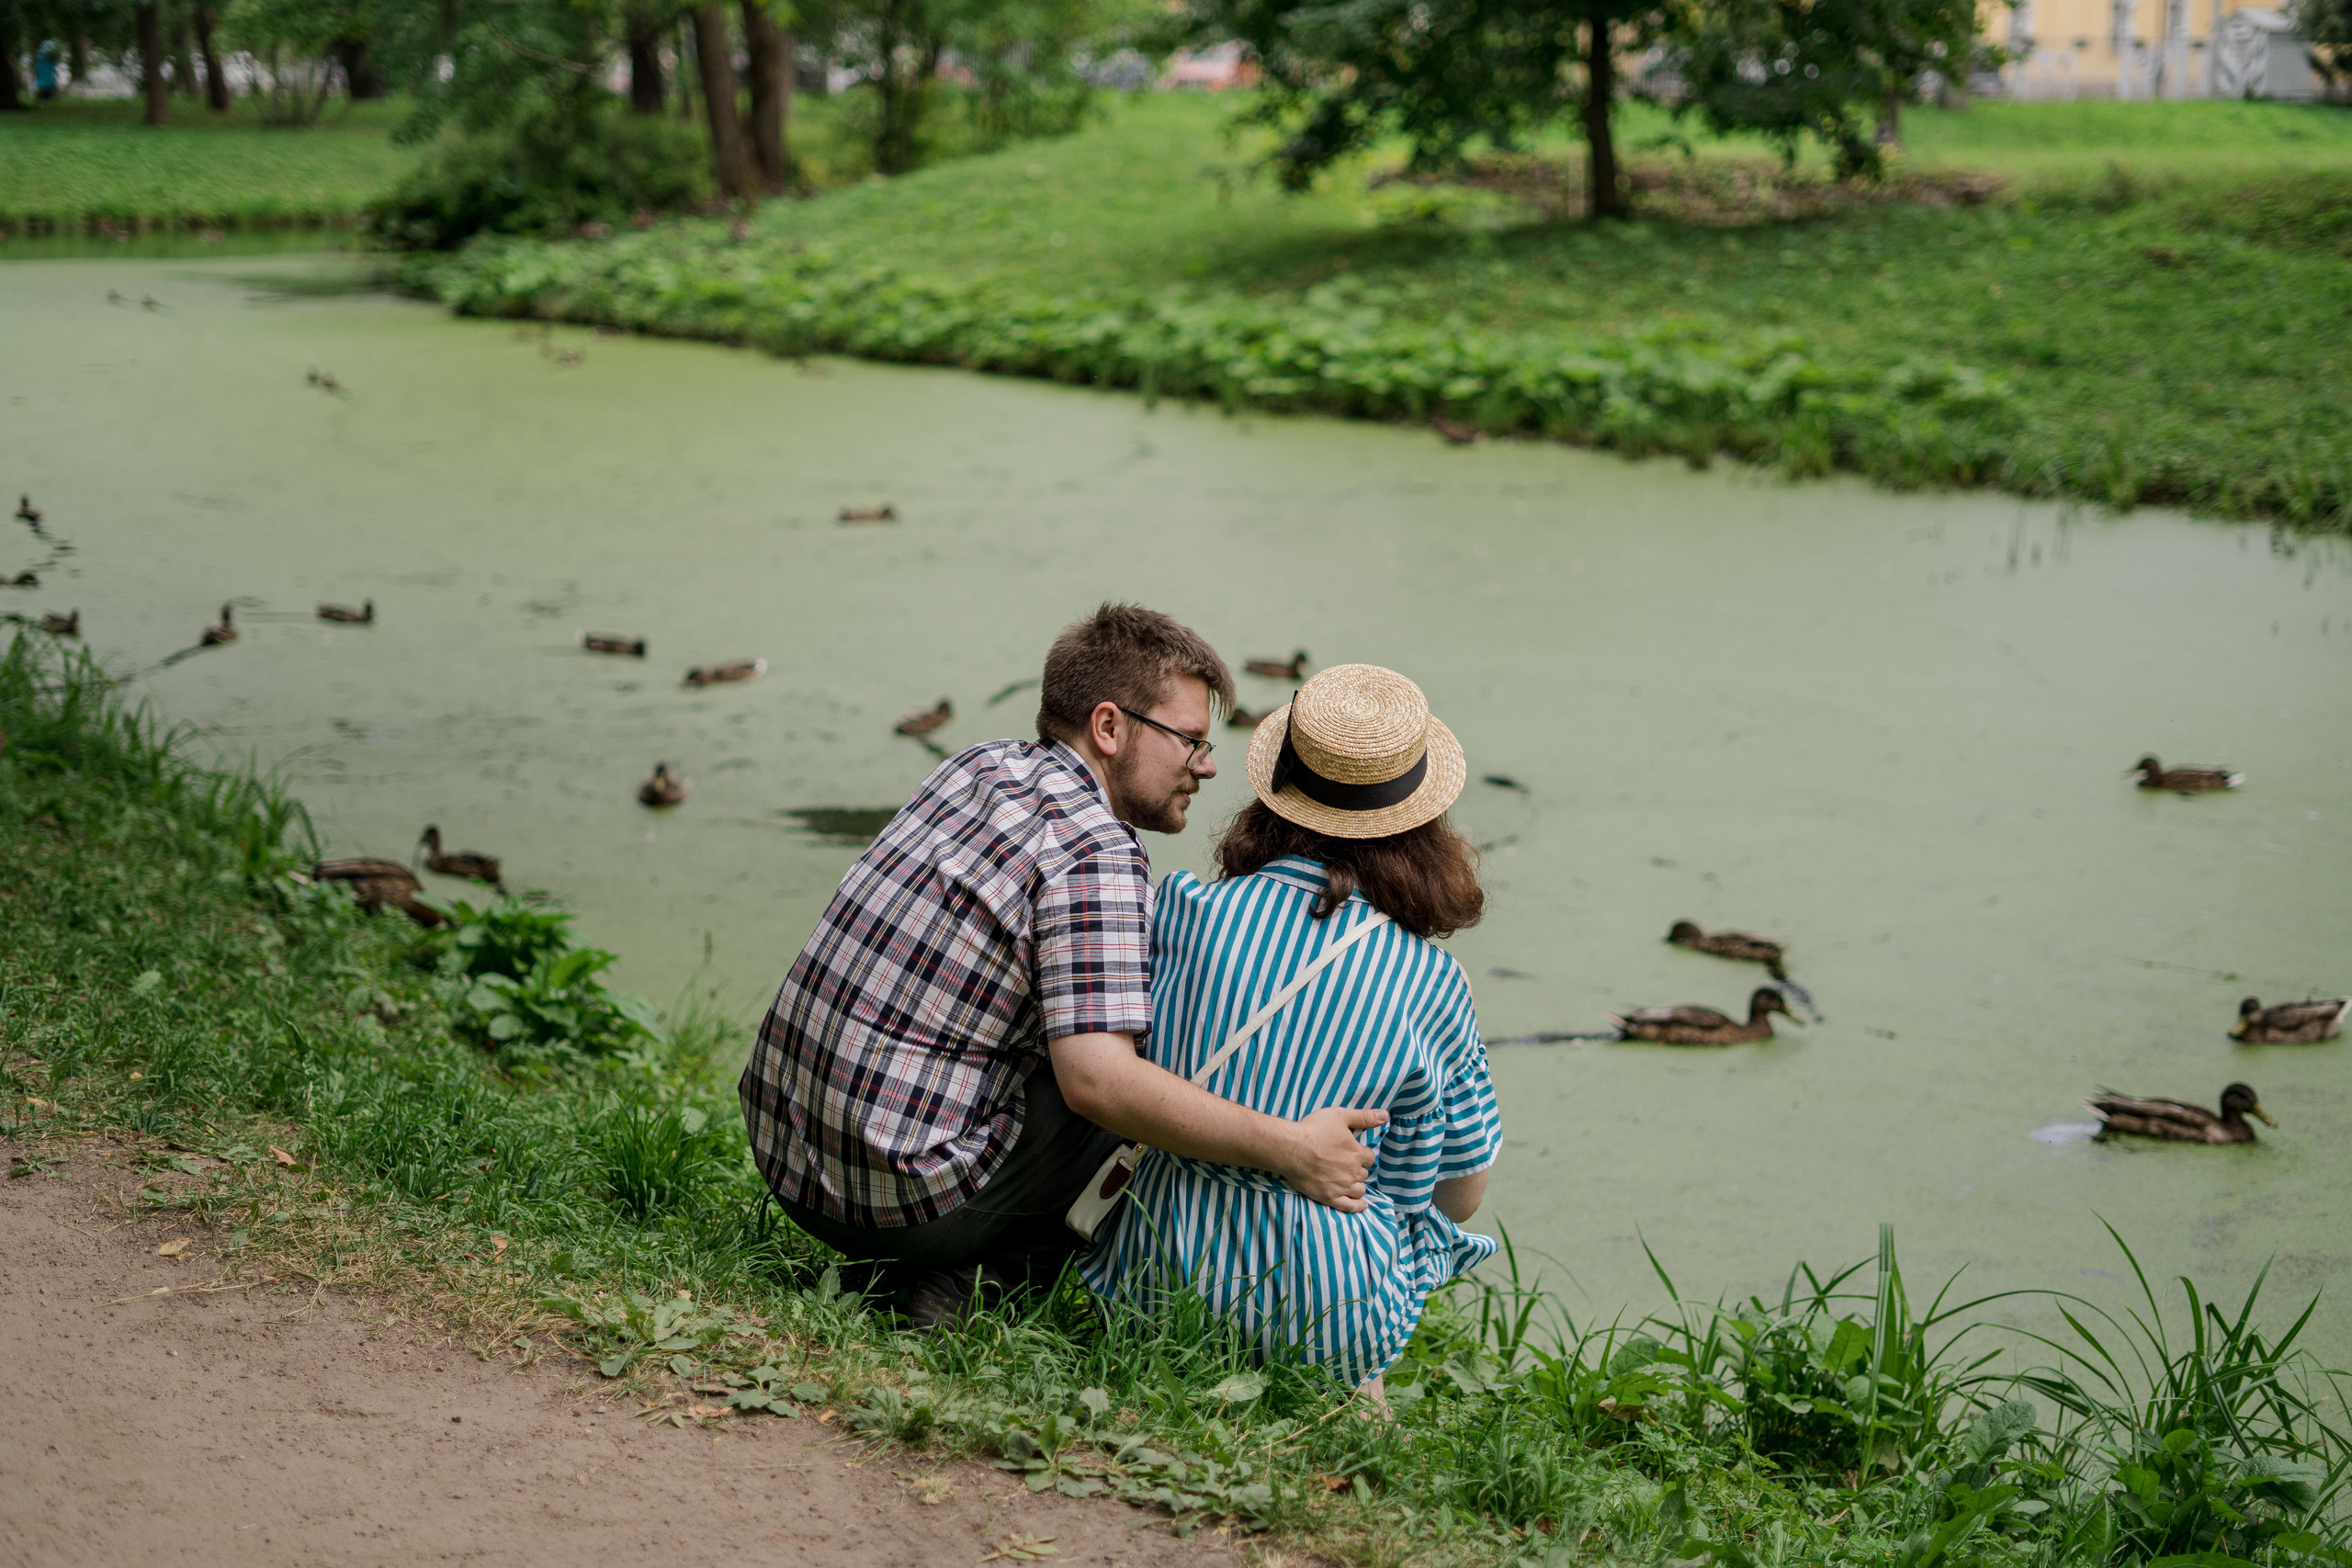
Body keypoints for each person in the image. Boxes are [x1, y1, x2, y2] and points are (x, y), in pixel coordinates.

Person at [739, 604, 1391, 1326]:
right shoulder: (1098, 852)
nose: (1207, 766)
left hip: (784, 1155)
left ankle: (944, 1269)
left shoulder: (977, 764)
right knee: (1163, 1068)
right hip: (886, 1198)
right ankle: (974, 1284)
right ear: (1109, 728)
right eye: (1190, 742)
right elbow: (1098, 1084)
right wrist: (1292, 1148)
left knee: (1100, 1033)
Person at [1080, 662, 1501, 1394]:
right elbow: (1457, 1194)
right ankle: (1353, 1392)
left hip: (1152, 1278)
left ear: (1276, 795)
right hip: (1329, 1314)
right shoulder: (1434, 985)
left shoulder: (1181, 908)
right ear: (1422, 821)